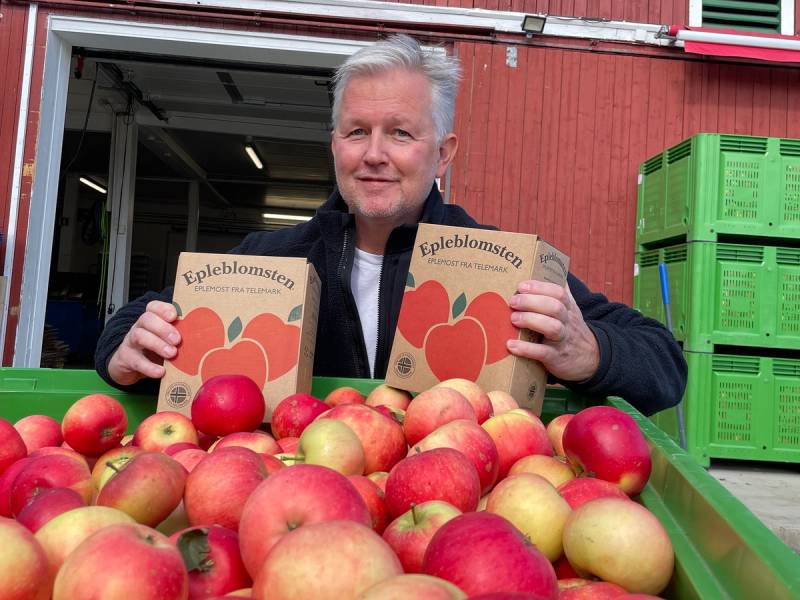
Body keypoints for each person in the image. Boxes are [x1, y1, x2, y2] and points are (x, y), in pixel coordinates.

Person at [95, 34, 686, 416]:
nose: (374, 154)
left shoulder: (501, 268)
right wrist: (125, 347)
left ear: (443, 152)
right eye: (357, 132)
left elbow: (664, 362)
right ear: (335, 146)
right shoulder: (271, 259)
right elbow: (143, 315)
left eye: (400, 133)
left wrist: (592, 352)